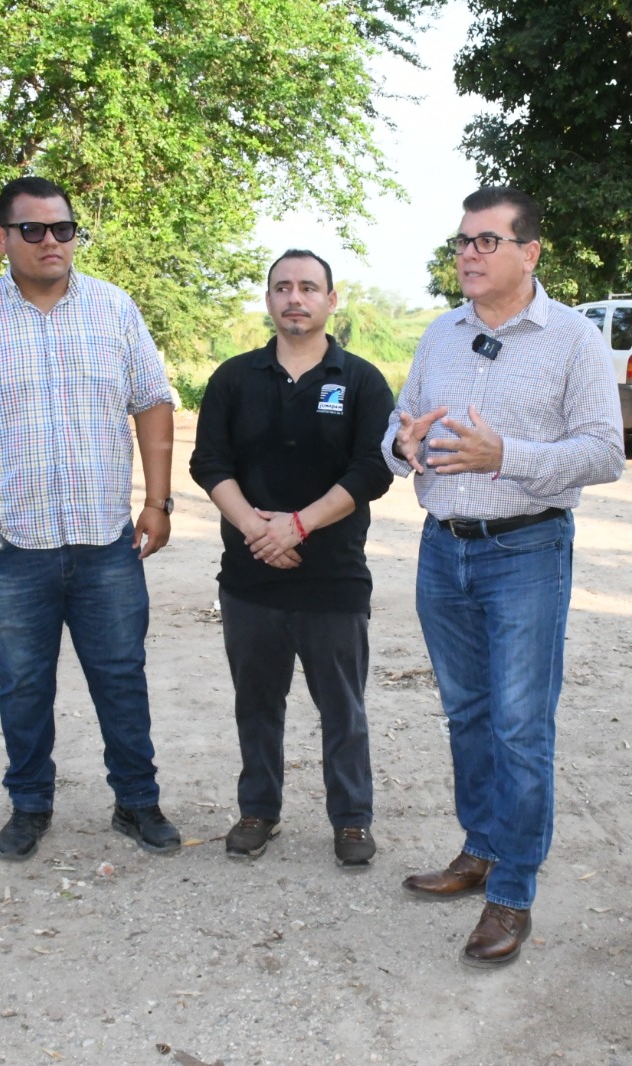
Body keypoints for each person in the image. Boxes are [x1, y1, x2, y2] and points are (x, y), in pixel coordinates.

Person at [0, 175, 183, 862]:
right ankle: (29, 803)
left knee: (121, 676)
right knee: (23, 684)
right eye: (33, 229)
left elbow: (153, 401)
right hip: (12, 545)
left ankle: (136, 802)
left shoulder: (114, 310)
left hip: (104, 543)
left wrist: (158, 501)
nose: (52, 241)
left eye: (63, 228)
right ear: (0, 238)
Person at [381, 187, 625, 966]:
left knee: (521, 727)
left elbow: (605, 452)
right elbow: (399, 423)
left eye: (488, 241)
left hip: (525, 551)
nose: (470, 254)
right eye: (463, 241)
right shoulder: (440, 335)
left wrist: (507, 457)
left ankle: (512, 893)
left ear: (530, 253)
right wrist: (403, 444)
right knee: (466, 714)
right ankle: (480, 847)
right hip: (441, 545)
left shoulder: (575, 340)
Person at [188, 250, 393, 867]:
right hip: (251, 579)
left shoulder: (360, 380)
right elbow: (210, 464)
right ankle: (259, 811)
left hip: (332, 579)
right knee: (256, 703)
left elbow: (373, 468)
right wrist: (257, 529)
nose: (294, 298)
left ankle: (352, 821)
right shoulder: (233, 378)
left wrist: (299, 526)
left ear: (332, 300)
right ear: (269, 300)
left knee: (342, 708)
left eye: (309, 287)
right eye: (282, 288)